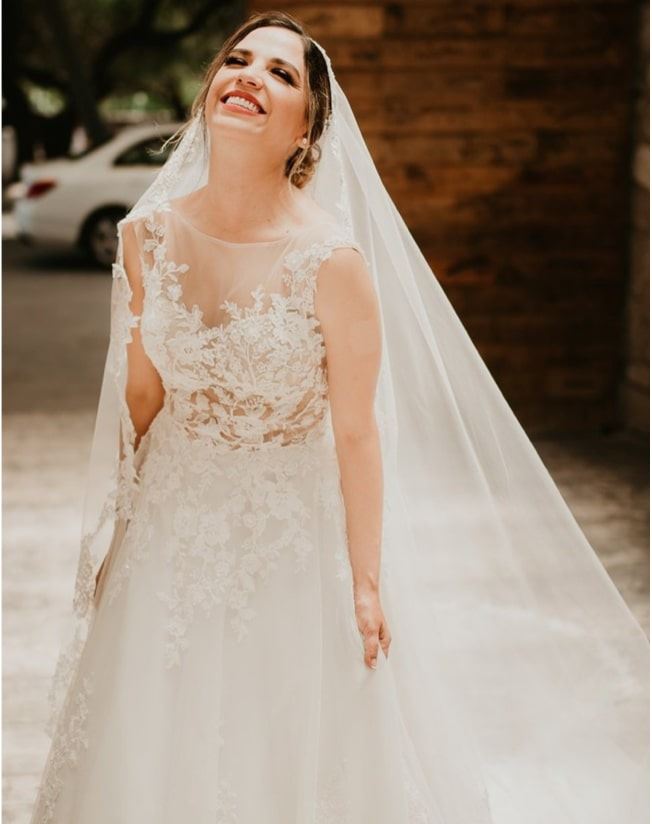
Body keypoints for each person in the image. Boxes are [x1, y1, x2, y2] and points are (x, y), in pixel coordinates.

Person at [30, 11, 648, 824]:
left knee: (287, 747)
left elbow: (357, 430)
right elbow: (144, 398)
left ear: (306, 132)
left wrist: (363, 583)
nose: (249, 75)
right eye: (238, 60)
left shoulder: (332, 262)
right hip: (171, 528)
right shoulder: (145, 239)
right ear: (210, 89)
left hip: (292, 537)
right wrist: (118, 527)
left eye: (281, 74)